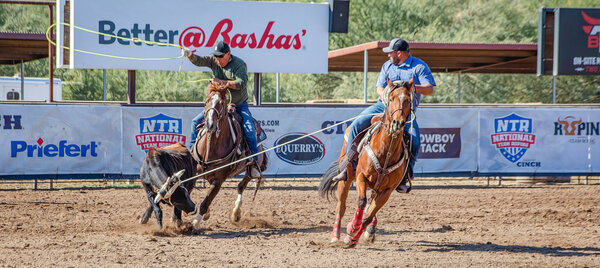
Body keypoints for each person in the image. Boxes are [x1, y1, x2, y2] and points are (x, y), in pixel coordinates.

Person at [332, 38, 436, 193]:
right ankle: (346, 168)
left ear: (399, 53)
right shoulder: (387, 66)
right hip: (383, 107)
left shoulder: (419, 66)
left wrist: (414, 87)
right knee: (355, 125)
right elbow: (379, 88)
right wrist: (386, 97)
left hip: (405, 113)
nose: (388, 56)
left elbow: (430, 89)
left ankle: (405, 176)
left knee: (414, 141)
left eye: (390, 53)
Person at [182, 41, 260, 178]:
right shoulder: (214, 61)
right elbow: (199, 60)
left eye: (220, 56)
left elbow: (241, 83)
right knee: (195, 122)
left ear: (228, 54)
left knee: (249, 130)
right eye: (216, 56)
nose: (217, 59)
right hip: (218, 104)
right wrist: (189, 55)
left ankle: (254, 163)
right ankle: (192, 159)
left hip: (239, 105)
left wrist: (222, 82)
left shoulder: (239, 64)